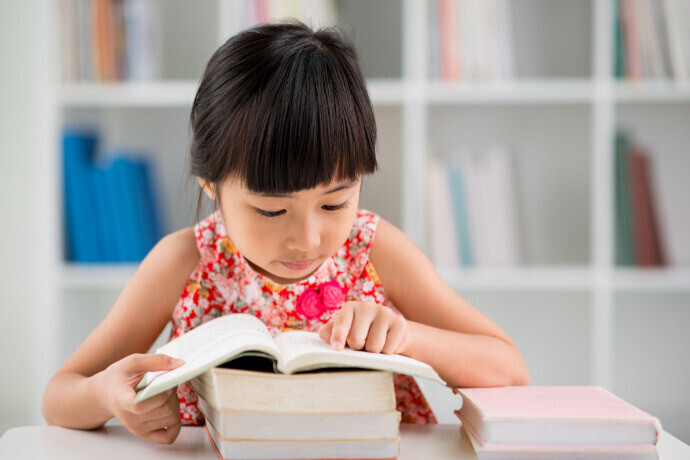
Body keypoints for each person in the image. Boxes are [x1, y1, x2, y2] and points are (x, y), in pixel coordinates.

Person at [42, 22, 529, 445]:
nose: (308, 238)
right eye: (271, 211)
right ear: (211, 187)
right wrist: (106, 393)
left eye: (335, 202)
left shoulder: (373, 249)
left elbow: (509, 370)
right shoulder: (183, 262)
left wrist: (406, 336)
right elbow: (58, 394)